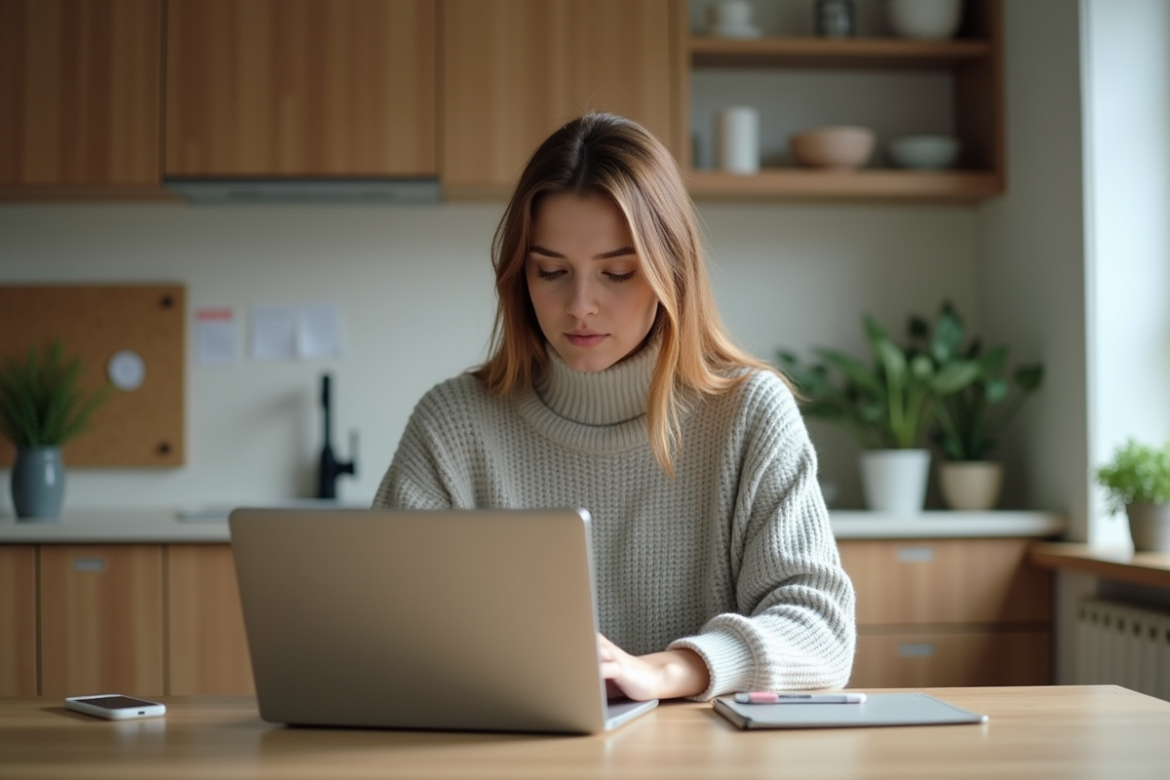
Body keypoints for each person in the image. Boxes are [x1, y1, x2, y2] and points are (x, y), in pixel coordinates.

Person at [374, 112, 855, 702]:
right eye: (552, 271)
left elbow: (821, 631)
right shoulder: (452, 423)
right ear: (519, 276)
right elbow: (376, 622)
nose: (581, 304)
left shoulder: (749, 414)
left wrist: (666, 672)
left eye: (618, 273)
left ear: (670, 272)